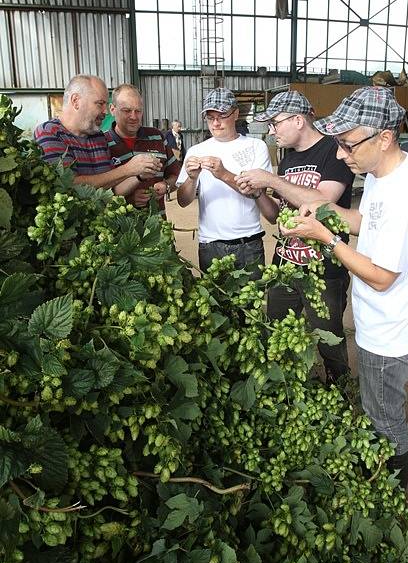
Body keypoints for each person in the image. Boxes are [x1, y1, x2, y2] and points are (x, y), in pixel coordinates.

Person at [279, 86, 408, 487]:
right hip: (377, 321)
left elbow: (381, 277)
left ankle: (390, 490)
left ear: (384, 137)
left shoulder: (406, 193)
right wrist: (325, 211)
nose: (342, 156)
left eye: (347, 145)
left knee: (385, 419)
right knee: (377, 405)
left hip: (388, 330)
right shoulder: (383, 172)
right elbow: (363, 221)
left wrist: (327, 238)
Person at [235, 91, 354, 383]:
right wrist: (259, 194)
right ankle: (288, 388)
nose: (272, 130)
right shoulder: (288, 161)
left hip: (324, 269)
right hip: (286, 265)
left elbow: (322, 202)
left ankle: (339, 391)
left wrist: (271, 179)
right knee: (278, 331)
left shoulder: (333, 151)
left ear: (298, 120)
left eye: (275, 123)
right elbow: (277, 215)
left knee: (330, 341)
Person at [177, 87, 272, 278]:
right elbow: (182, 201)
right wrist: (192, 178)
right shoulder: (197, 150)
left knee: (250, 303)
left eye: (222, 116)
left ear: (236, 113)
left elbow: (255, 191)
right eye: (210, 118)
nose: (216, 123)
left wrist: (223, 174)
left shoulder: (256, 147)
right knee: (216, 306)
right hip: (211, 245)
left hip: (248, 244)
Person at [34, 75, 160, 193]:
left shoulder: (98, 136)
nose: (105, 112)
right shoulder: (49, 132)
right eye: (100, 104)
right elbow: (67, 185)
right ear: (75, 101)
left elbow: (110, 187)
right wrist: (128, 169)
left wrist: (139, 175)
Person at [105, 84, 180, 214]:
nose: (134, 117)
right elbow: (98, 191)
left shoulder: (157, 137)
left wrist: (166, 186)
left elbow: (177, 176)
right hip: (120, 231)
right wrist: (128, 200)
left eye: (138, 111)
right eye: (127, 111)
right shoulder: (102, 143)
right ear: (112, 109)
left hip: (158, 228)